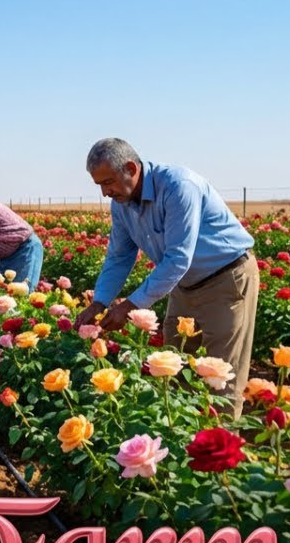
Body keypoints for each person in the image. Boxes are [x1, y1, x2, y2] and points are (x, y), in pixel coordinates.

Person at [74, 138, 257, 416]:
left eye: (108, 182)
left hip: (225, 279)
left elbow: (177, 258)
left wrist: (130, 306)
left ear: (131, 168)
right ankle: (182, 445)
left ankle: (220, 449)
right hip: (184, 284)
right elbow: (119, 257)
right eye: (99, 184)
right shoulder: (121, 204)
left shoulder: (178, 187)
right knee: (174, 368)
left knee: (222, 374)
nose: (105, 192)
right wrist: (99, 302)